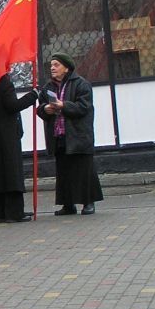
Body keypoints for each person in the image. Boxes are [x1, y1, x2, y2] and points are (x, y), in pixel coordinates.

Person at [37, 52, 102, 216]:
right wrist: (46, 109)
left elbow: (83, 107)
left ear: (66, 68)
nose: (52, 68)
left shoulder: (81, 84)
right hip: (59, 135)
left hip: (78, 135)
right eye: (51, 65)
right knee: (64, 171)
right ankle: (68, 204)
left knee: (83, 170)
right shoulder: (48, 87)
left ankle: (88, 202)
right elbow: (41, 108)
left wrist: (63, 105)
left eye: (56, 65)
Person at [0, 73, 38, 222]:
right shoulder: (3, 82)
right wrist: (33, 95)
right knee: (11, 173)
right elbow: (12, 106)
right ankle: (14, 213)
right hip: (5, 135)